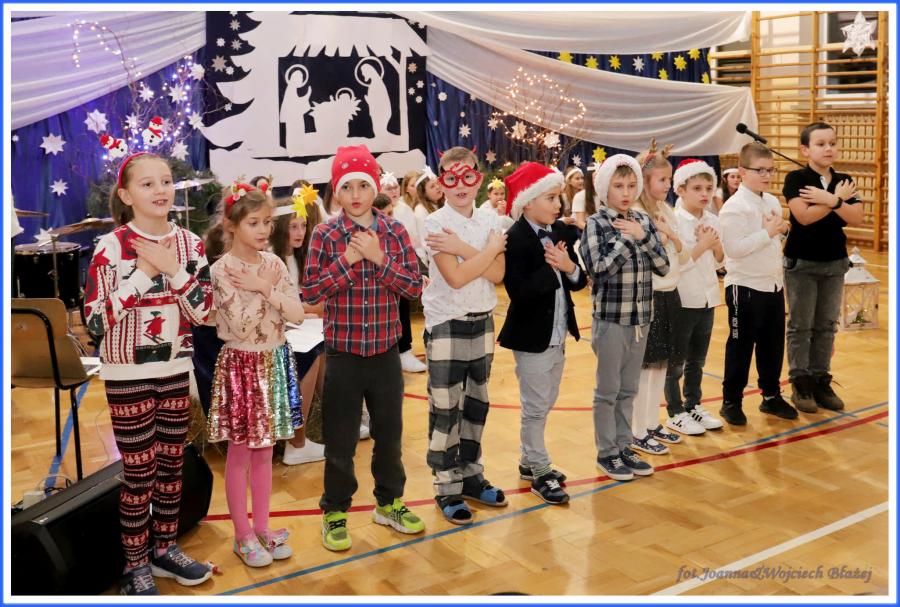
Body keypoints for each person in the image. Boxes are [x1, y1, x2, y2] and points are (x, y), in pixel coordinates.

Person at [84, 152, 214, 595]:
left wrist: (173, 268)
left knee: (172, 466)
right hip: (128, 376)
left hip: (175, 369)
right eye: (147, 184)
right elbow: (96, 321)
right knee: (140, 473)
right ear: (126, 196)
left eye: (166, 181)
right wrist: (143, 273)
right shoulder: (111, 247)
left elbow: (203, 312)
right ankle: (135, 563)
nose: (161, 190)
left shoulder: (191, 245)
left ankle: (164, 548)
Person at [303, 145, 426, 551]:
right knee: (340, 442)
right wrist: (347, 262)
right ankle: (335, 511)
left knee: (389, 436)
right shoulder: (324, 235)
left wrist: (377, 258)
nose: (355, 195)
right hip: (343, 355)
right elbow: (311, 292)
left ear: (375, 189)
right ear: (335, 192)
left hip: (386, 354)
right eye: (347, 187)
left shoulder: (394, 231)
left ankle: (389, 503)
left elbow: (413, 287)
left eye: (363, 185)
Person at [207, 184, 305, 568]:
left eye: (267, 222)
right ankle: (242, 534)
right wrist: (268, 296)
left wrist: (264, 287)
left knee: (266, 451)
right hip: (242, 366)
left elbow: (297, 314)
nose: (264, 230)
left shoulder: (274, 264)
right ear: (232, 225)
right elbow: (241, 326)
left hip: (274, 360)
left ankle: (262, 527)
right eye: (253, 222)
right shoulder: (221, 270)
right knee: (240, 453)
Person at [421, 146, 507, 525]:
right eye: (451, 178)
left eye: (468, 176)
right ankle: (446, 485)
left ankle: (471, 475)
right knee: (446, 409)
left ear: (478, 179)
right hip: (446, 323)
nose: (460, 185)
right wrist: (486, 252)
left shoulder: (490, 220)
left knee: (476, 404)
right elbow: (455, 277)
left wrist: (464, 248)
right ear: (441, 182)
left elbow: (498, 274)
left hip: (482, 321)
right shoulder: (434, 223)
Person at [498, 162, 587, 504]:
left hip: (558, 334)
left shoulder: (558, 232)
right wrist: (552, 270)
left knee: (547, 399)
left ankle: (527, 460)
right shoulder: (515, 239)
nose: (558, 205)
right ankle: (539, 470)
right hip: (531, 337)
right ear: (528, 201)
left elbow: (578, 281)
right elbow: (519, 292)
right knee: (535, 406)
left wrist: (568, 267)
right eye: (550, 198)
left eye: (558, 198)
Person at [578, 154, 669, 481]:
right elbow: (599, 270)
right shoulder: (596, 224)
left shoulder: (642, 221)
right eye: (618, 186)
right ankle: (607, 453)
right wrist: (626, 239)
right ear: (605, 189)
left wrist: (642, 235)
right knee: (608, 391)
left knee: (629, 389)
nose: (626, 192)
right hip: (611, 321)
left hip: (641, 319)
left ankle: (623, 445)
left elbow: (663, 266)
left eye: (631, 185)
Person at [782, 122, 862, 412]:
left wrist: (830, 199)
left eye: (832, 143)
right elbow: (803, 217)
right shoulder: (796, 179)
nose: (829, 148)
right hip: (802, 262)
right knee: (801, 325)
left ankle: (819, 379)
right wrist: (837, 202)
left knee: (826, 325)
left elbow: (856, 217)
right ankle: (800, 382)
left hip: (835, 262)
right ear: (805, 150)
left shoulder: (844, 180)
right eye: (821, 144)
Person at [718, 142, 796, 425]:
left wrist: (782, 230)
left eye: (770, 170)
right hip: (745, 287)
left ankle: (771, 396)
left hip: (772, 284)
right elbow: (734, 249)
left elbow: (774, 239)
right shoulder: (733, 208)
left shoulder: (771, 201)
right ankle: (731, 401)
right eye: (759, 170)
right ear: (742, 171)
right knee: (740, 346)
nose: (766, 175)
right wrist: (768, 232)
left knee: (772, 345)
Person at [629, 147, 694, 454]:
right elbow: (647, 255)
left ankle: (652, 423)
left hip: (671, 293)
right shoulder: (637, 213)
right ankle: (636, 430)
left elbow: (683, 254)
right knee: (645, 368)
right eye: (662, 179)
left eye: (669, 179)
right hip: (650, 295)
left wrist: (671, 237)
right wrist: (662, 240)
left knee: (661, 366)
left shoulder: (665, 210)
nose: (668, 185)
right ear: (645, 180)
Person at [664, 159, 726, 436]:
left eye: (709, 188)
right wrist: (703, 244)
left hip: (708, 298)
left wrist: (715, 245)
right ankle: (675, 411)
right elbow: (677, 264)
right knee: (675, 361)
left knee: (697, 360)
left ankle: (693, 404)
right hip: (683, 299)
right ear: (680, 189)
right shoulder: (673, 221)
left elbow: (721, 261)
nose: (705, 194)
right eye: (697, 188)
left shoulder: (713, 220)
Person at [270, 194, 328, 465]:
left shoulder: (295, 257)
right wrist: (312, 309)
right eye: (293, 226)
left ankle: (336, 421)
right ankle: (296, 443)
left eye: (303, 226)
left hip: (294, 327)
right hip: (277, 333)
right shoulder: (273, 260)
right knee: (310, 355)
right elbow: (282, 307)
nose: (300, 232)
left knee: (325, 347)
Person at [382, 171, 427, 373]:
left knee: (402, 293)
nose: (388, 218)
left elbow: (410, 248)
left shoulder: (402, 216)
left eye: (390, 213)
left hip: (398, 275)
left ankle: (404, 350)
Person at [571, 164, 599, 231]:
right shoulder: (580, 196)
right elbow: (580, 223)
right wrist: (596, 231)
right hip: (586, 230)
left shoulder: (607, 195)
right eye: (596, 177)